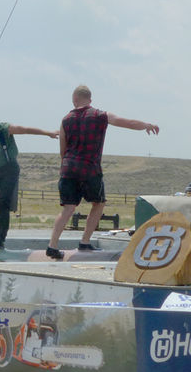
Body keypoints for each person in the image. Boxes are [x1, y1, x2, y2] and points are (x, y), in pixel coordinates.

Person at [46, 85, 160, 259]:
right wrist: (146, 125)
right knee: (98, 203)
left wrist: (67, 165)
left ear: (74, 100)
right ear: (90, 100)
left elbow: (62, 150)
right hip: (90, 169)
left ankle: (52, 246)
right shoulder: (100, 115)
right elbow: (126, 122)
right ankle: (84, 242)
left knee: (68, 208)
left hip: (69, 168)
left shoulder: (65, 119)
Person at [0, 108, 58, 251]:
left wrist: (48, 133)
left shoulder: (4, 129)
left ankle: (0, 240)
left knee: (3, 204)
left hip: (9, 169)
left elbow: (26, 129)